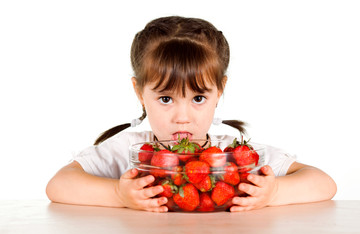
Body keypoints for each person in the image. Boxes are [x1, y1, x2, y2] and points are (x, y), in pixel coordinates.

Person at [46, 16, 337, 212]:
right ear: (139, 93)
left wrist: (273, 193)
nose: (182, 117)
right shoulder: (130, 152)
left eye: (198, 97)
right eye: (165, 98)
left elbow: (323, 182)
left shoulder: (235, 155)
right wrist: (118, 195)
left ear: (220, 90)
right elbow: (58, 184)